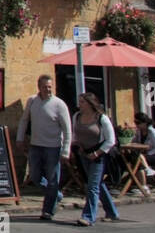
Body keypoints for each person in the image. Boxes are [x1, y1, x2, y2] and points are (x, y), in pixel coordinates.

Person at [16, 74, 72, 221]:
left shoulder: (59, 104)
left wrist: (66, 150)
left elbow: (67, 129)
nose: (48, 89)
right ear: (38, 87)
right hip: (36, 145)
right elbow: (24, 120)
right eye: (45, 87)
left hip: (53, 147)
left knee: (53, 179)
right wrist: (20, 138)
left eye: (49, 87)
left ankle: (48, 211)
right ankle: (56, 195)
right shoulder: (32, 101)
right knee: (34, 176)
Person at [72, 92, 119, 225]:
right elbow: (75, 133)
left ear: (90, 104)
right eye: (79, 102)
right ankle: (112, 212)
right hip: (83, 153)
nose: (79, 105)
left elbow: (110, 140)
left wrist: (97, 153)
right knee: (96, 184)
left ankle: (88, 217)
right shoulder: (77, 116)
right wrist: (76, 145)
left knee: (92, 186)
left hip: (99, 155)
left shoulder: (101, 118)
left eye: (82, 102)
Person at [134, 112, 155, 181]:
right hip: (145, 155)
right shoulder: (139, 132)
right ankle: (140, 180)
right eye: (135, 122)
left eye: (138, 123)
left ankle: (142, 184)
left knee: (138, 159)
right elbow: (135, 142)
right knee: (135, 159)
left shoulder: (152, 132)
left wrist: (148, 153)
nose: (136, 125)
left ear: (145, 123)